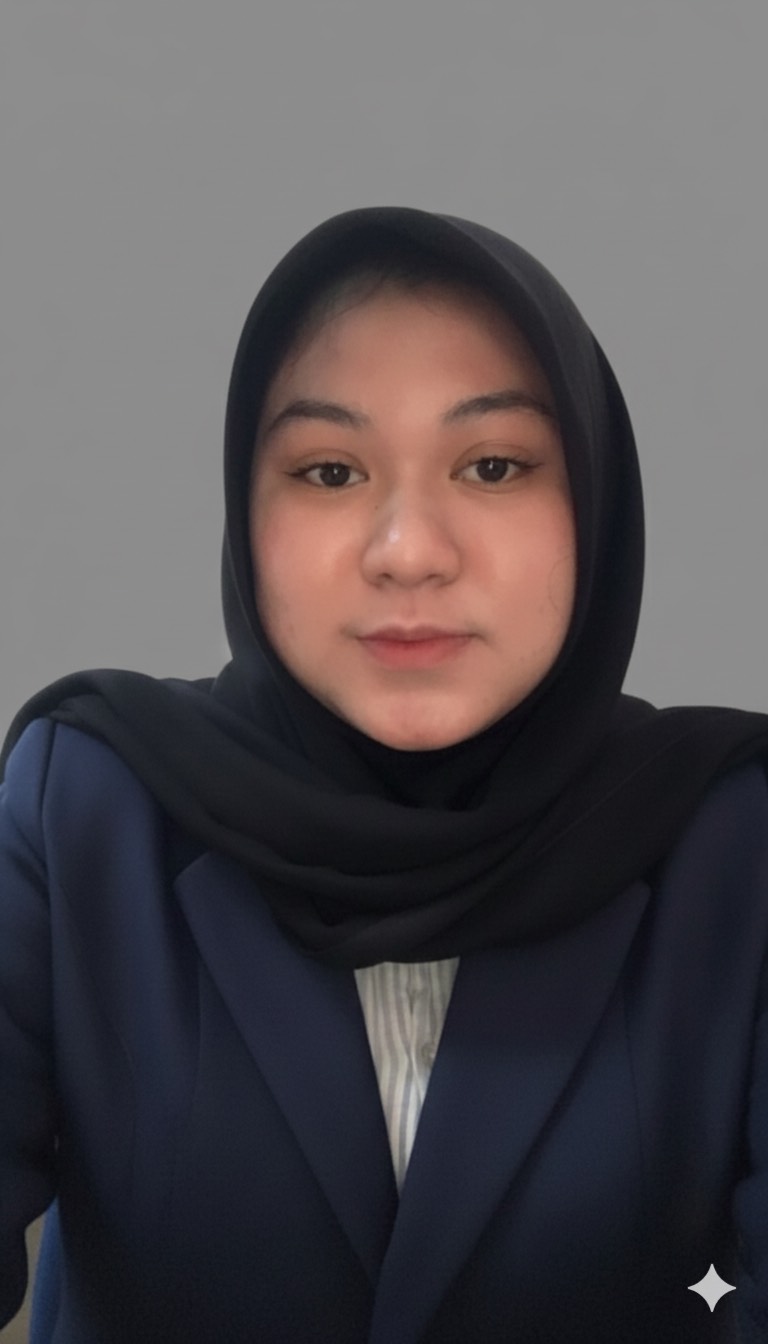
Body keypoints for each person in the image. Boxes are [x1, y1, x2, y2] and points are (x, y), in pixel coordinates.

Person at [2, 206, 768, 1344]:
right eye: (329, 470)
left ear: (596, 501)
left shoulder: (734, 837)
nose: (408, 551)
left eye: (494, 465)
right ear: (245, 510)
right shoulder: (87, 804)